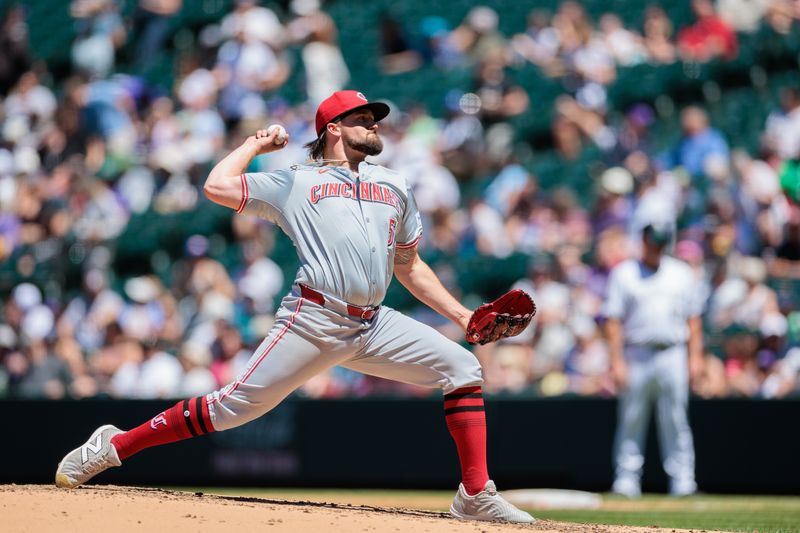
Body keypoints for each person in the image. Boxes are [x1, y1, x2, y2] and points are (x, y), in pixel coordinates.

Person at [54, 90, 534, 524]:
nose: (374, 125)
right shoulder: (296, 181)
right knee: (231, 409)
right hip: (313, 319)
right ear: (333, 128)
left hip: (373, 323)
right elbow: (216, 186)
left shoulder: (394, 185)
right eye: (363, 118)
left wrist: (463, 316)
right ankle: (115, 444)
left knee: (463, 367)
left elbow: (409, 265)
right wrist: (255, 146)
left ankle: (474, 494)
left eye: (375, 118)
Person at [603, 223, 705, 498]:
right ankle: (626, 480)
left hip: (673, 352)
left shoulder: (681, 274)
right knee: (632, 418)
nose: (656, 247)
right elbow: (613, 321)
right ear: (643, 241)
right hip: (636, 352)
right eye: (652, 241)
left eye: (661, 242)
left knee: (675, 418)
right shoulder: (624, 273)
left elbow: (693, 320)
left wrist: (695, 358)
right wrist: (616, 361)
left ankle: (684, 481)